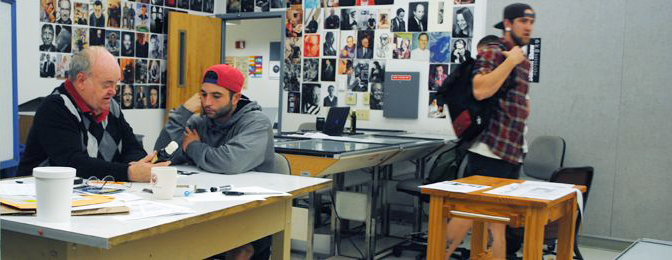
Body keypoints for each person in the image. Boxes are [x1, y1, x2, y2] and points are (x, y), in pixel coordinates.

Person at [443, 4, 536, 259]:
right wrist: (511, 62)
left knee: (499, 224)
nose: (528, 26)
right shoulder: (493, 53)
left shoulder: (524, 62)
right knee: (466, 216)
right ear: (507, 23)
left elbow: (520, 107)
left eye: (531, 21)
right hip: (489, 151)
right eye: (522, 20)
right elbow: (480, 89)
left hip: (512, 151)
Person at [154, 66, 275, 260]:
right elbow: (163, 156)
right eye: (203, 94)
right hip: (205, 207)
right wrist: (183, 113)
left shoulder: (256, 123)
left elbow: (229, 162)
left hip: (249, 214)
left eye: (216, 96)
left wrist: (192, 147)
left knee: (237, 250)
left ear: (235, 98)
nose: (207, 102)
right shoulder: (199, 121)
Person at [19, 47, 169, 180]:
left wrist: (138, 165)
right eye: (107, 84)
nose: (114, 91)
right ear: (81, 81)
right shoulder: (55, 108)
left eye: (116, 83)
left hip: (95, 194)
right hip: (38, 198)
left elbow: (132, 147)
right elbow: (74, 164)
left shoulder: (111, 106)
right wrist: (129, 172)